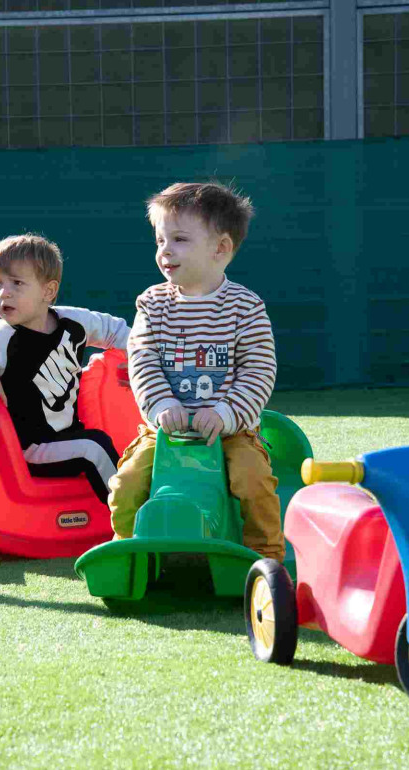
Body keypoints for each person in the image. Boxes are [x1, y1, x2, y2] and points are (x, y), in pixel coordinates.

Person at [107, 182, 283, 561]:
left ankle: (265, 557)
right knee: (126, 484)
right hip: (165, 431)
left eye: (180, 239)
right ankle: (127, 552)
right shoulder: (152, 304)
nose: (165, 250)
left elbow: (258, 369)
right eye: (160, 240)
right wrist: (161, 405)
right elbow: (142, 359)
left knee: (254, 481)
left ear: (221, 248)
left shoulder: (245, 307)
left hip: (231, 432)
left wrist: (225, 414)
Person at [0, 234, 131, 503]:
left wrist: (141, 352)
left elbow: (115, 330)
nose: (4, 293)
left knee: (109, 444)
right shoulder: (1, 336)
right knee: (94, 447)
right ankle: (132, 516)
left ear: (48, 291)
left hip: (67, 436)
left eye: (17, 283)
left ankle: (127, 502)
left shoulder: (73, 322)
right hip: (30, 450)